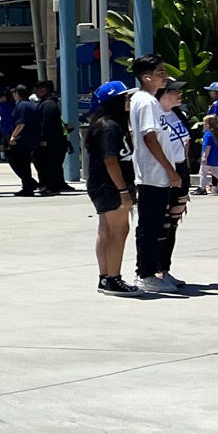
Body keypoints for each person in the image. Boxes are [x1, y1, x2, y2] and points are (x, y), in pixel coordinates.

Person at [128, 57, 190, 293]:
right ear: (146, 77)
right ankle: (144, 274)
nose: (164, 76)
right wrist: (170, 169)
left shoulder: (147, 101)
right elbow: (149, 137)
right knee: (151, 227)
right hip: (152, 175)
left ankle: (156, 270)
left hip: (158, 175)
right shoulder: (145, 102)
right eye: (160, 72)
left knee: (157, 227)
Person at [83, 82, 140, 297]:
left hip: (105, 184)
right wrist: (123, 191)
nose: (128, 101)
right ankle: (113, 278)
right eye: (124, 98)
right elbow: (110, 160)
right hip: (110, 185)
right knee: (119, 230)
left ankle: (106, 277)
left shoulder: (112, 124)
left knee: (107, 230)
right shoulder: (109, 126)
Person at [32, 81, 74, 195]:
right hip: (54, 141)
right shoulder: (47, 103)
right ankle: (54, 184)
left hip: (51, 142)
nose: (35, 92)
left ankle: (52, 187)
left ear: (43, 90)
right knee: (50, 164)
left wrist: (44, 139)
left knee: (48, 164)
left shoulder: (48, 105)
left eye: (37, 89)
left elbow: (48, 124)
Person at [6, 87, 43, 196]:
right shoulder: (31, 104)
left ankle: (29, 183)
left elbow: (21, 123)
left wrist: (13, 136)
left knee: (15, 159)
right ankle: (28, 183)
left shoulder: (22, 105)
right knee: (25, 163)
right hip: (32, 138)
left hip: (22, 139)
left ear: (17, 93)